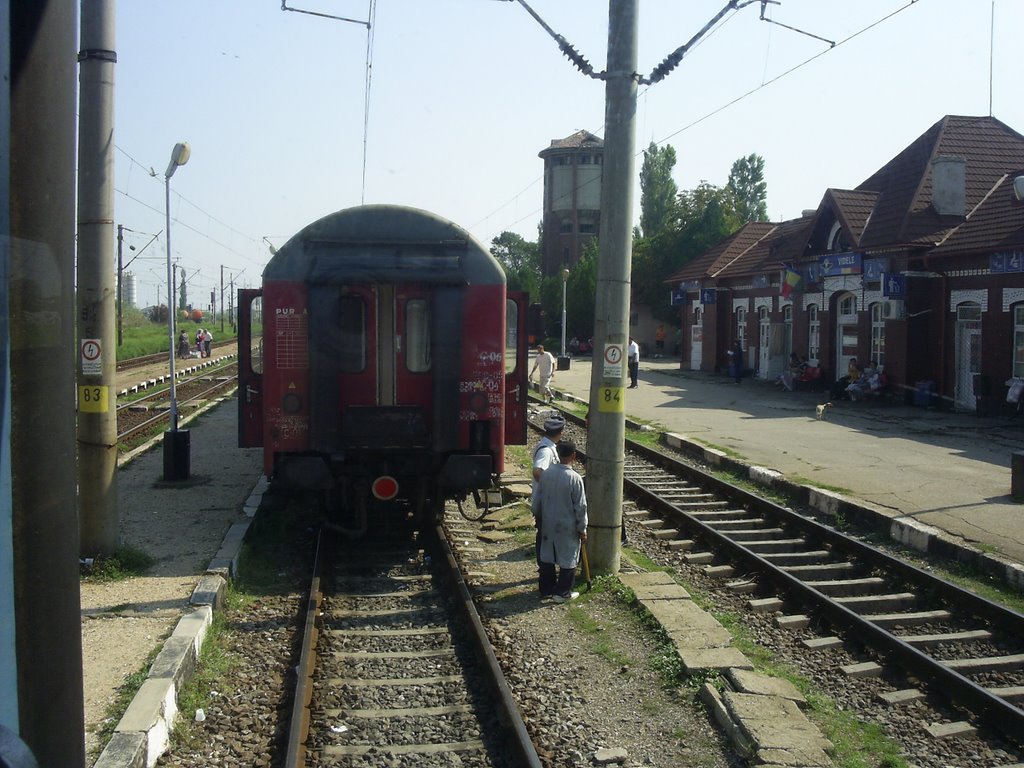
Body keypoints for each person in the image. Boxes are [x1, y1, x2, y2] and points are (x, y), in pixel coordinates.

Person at [532, 440, 588, 602]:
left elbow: (538, 498)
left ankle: (546, 590)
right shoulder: (575, 478)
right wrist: (582, 528)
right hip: (567, 524)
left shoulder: (547, 473)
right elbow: (581, 506)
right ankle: (562, 592)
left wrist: (536, 513)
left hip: (548, 521)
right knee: (568, 557)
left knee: (547, 555)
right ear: (574, 456)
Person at [531, 415, 564, 568]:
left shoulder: (548, 446)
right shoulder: (546, 451)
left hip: (547, 501)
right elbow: (537, 471)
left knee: (546, 535)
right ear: (560, 432)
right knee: (544, 535)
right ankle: (544, 568)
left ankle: (546, 566)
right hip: (546, 502)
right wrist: (553, 488)